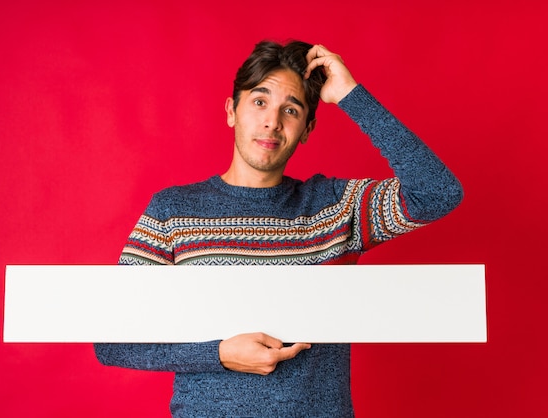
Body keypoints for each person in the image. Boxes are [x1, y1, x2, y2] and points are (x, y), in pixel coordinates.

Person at [94, 40, 463, 417]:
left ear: (306, 129)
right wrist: (219, 354)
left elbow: (438, 193)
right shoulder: (173, 212)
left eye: (291, 110)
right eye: (259, 101)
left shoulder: (337, 208)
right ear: (231, 111)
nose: (272, 121)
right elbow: (113, 341)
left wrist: (351, 95)